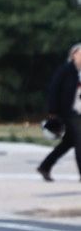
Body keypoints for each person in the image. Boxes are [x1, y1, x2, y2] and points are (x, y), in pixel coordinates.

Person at [37, 43, 81, 180]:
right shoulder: (65, 70)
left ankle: (45, 166)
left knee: (68, 143)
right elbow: (53, 90)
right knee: (80, 142)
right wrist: (53, 111)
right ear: (73, 55)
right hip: (68, 112)